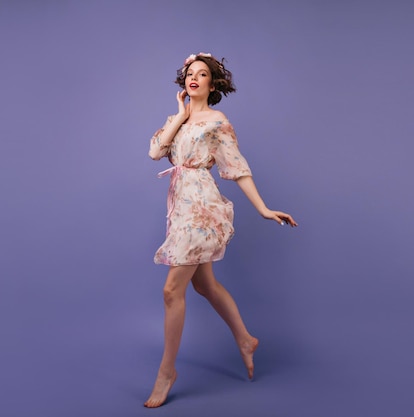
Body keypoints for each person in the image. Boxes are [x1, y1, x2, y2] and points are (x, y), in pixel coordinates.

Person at [144, 52, 297, 408]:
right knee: (205, 284)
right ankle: (245, 339)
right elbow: (155, 153)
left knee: (171, 291)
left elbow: (237, 167)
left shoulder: (217, 121)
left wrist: (263, 208)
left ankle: (167, 371)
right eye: (189, 74)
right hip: (179, 208)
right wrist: (180, 115)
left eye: (201, 74)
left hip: (201, 208)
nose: (193, 78)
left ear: (213, 85)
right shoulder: (176, 119)